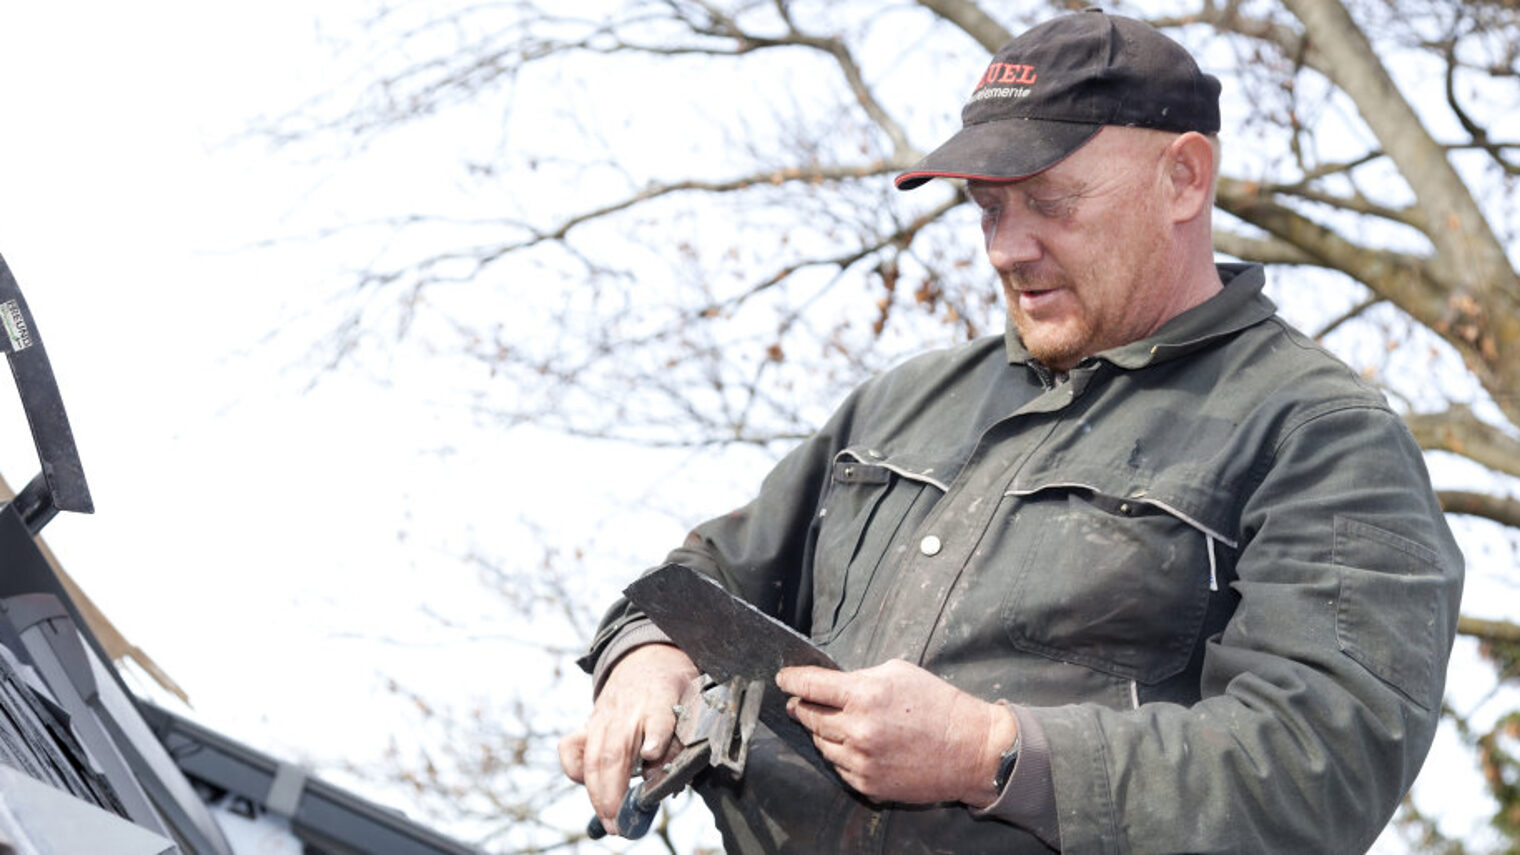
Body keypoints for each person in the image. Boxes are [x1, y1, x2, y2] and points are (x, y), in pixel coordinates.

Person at [557, 8, 1464, 853]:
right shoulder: (905, 400)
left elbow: (1320, 765)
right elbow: (705, 574)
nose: (1005, 247)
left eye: (1049, 201)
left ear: (1183, 177)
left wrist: (994, 752)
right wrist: (648, 660)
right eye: (989, 208)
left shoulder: (1325, 438)